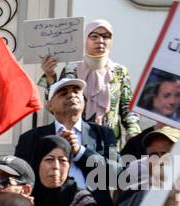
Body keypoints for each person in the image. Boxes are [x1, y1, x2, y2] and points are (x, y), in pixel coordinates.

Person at [15, 77, 119, 206]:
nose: (72, 95)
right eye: (63, 93)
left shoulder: (103, 135)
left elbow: (116, 174)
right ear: (49, 105)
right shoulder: (30, 139)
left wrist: (81, 153)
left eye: (77, 92)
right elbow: (20, 179)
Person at [38, 20, 141, 148]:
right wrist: (50, 76)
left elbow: (127, 108)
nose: (100, 41)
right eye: (94, 36)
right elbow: (55, 107)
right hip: (76, 139)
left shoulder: (119, 72)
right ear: (85, 39)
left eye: (106, 36)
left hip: (109, 143)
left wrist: (134, 133)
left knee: (106, 168)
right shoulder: (71, 70)